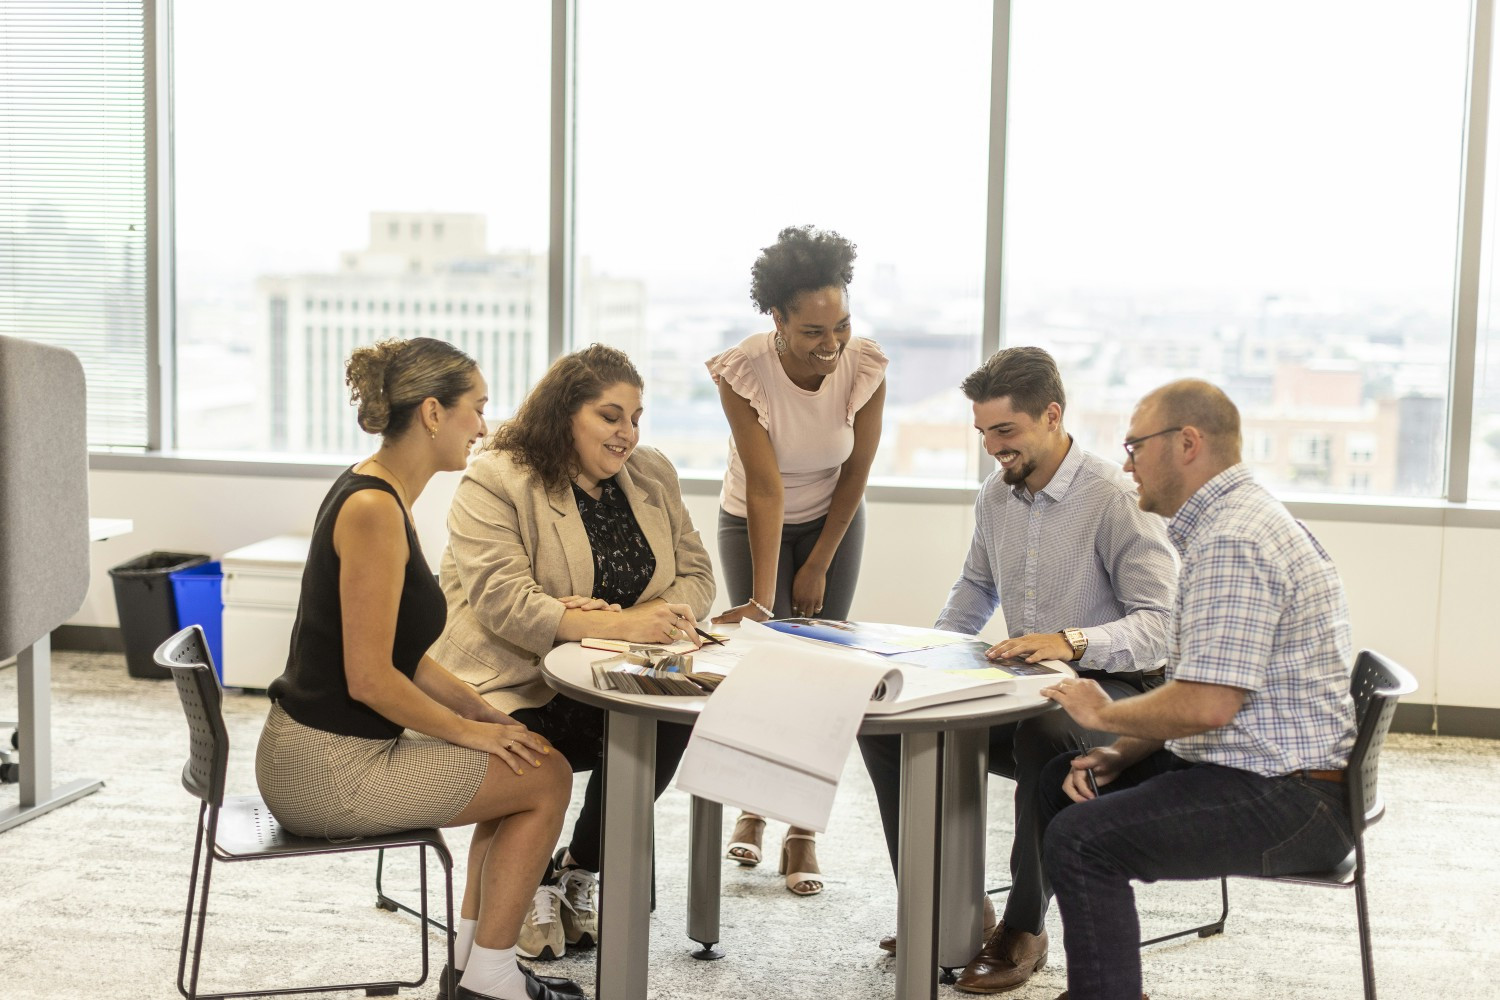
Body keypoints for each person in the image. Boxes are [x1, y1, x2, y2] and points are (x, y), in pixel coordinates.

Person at [255, 337, 579, 1000]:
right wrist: (473, 735)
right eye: (477, 408)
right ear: (433, 412)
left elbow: (407, 659)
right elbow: (369, 679)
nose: (484, 427)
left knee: (521, 758)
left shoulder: (379, 493)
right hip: (323, 771)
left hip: (320, 751)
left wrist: (487, 716)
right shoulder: (373, 509)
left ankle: (475, 966)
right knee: (545, 778)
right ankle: (489, 982)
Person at [857, 346, 1177, 993]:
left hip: (1122, 695)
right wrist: (926, 665)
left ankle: (1025, 927)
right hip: (1031, 686)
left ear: (1052, 416)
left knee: (1048, 736)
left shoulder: (1114, 498)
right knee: (885, 725)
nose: (991, 447)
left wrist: (1070, 640)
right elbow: (974, 591)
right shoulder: (994, 499)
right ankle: (947, 902)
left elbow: (1159, 626)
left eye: (1005, 431)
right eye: (983, 433)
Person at [1038, 379, 1358, 1000]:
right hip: (1269, 769)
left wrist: (1106, 713)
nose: (1126, 463)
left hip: (1293, 801)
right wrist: (1119, 750)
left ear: (1187, 443)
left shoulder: (1233, 541)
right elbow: (1206, 694)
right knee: (1064, 782)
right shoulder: (1235, 521)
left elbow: (1209, 704)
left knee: (1082, 842)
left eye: (1135, 446)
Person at [431, 344, 715, 961]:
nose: (628, 433)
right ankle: (523, 886)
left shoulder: (653, 473)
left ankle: (579, 867)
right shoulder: (497, 475)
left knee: (669, 724)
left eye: (636, 417)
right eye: (610, 416)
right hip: (511, 678)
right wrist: (627, 624)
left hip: (613, 673)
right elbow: (503, 600)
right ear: (565, 414)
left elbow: (696, 576)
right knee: (533, 754)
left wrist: (636, 625)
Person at [706, 224, 889, 896]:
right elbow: (765, 487)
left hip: (834, 518)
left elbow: (857, 471)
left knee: (824, 674)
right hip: (754, 517)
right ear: (777, 318)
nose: (831, 343)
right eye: (813, 330)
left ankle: (802, 828)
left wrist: (818, 562)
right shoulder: (742, 371)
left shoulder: (863, 365)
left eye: (839, 324)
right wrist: (762, 601)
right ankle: (753, 807)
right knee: (769, 663)